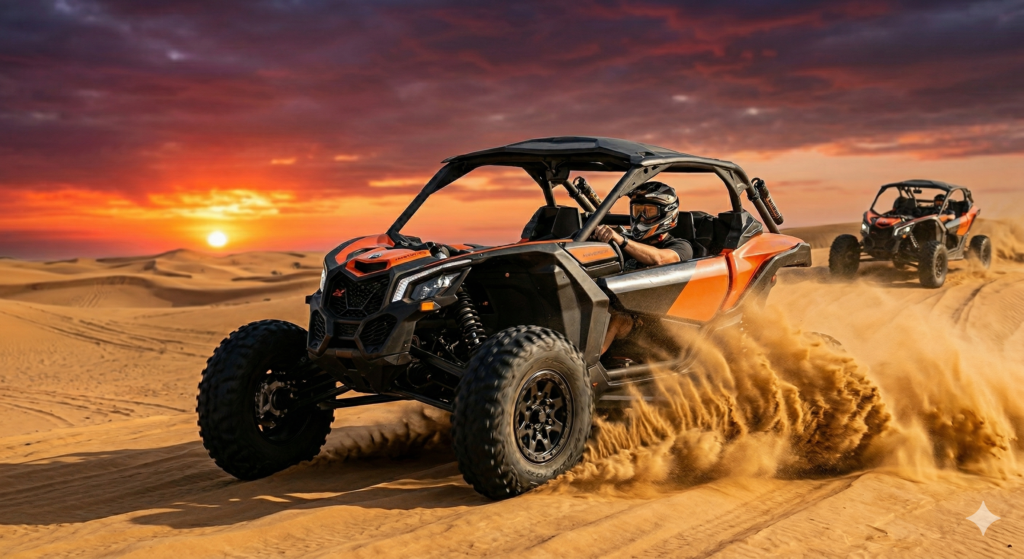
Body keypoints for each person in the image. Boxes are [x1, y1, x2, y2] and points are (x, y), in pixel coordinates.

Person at [590, 181, 694, 354]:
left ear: (667, 214)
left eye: (648, 211)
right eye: (637, 211)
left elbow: (659, 259)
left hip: (650, 321)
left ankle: (582, 369)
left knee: (616, 318)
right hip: (614, 303)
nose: (640, 218)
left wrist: (621, 240)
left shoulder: (681, 246)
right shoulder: (629, 241)